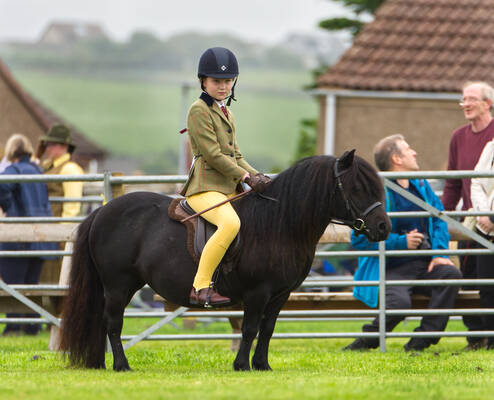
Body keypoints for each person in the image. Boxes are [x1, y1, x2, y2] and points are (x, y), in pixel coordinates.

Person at [343, 134, 461, 352]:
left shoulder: (421, 186)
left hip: (425, 264)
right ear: (397, 158)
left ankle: (421, 341)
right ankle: (366, 341)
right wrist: (401, 242)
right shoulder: (377, 192)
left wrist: (439, 254)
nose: (414, 152)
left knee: (451, 276)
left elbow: (439, 220)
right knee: (399, 305)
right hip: (391, 268)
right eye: (408, 149)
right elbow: (359, 240)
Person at [180, 47, 271, 307]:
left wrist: (259, 177)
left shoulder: (226, 112)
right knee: (230, 224)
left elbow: (236, 155)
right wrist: (245, 176)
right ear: (203, 82)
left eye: (228, 81)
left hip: (228, 187)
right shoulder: (199, 110)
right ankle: (200, 286)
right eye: (217, 81)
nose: (223, 86)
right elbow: (213, 155)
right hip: (204, 187)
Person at [442, 81, 494, 350]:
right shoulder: (458, 137)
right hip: (469, 221)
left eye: (471, 99)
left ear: (488, 103)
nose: (466, 104)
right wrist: (442, 216)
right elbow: (452, 182)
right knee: (469, 277)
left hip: (491, 221)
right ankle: (476, 336)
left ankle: (491, 336)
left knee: (489, 280)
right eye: (463, 99)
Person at [0, 134, 58, 336]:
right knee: (32, 285)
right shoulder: (37, 171)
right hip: (40, 238)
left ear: (11, 151)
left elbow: (1, 186)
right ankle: (32, 325)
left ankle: (14, 326)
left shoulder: (13, 170)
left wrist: (6, 206)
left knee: (13, 286)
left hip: (18, 238)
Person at [36, 124, 83, 283]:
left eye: (51, 144)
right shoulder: (48, 166)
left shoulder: (70, 168)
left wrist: (63, 231)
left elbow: (72, 203)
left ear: (63, 146)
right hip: (47, 228)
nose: (47, 148)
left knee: (55, 276)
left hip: (57, 232)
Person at [468, 138, 494, 349]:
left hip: (490, 222)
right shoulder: (489, 146)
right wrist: (483, 213)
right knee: (486, 287)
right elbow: (476, 181)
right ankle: (491, 340)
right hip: (484, 230)